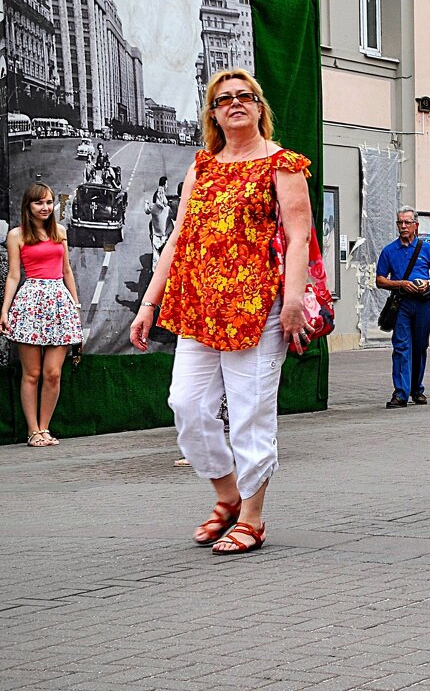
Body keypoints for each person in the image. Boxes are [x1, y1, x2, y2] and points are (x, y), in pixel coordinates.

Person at [130, 68, 316, 555]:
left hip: (258, 309)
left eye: (245, 97)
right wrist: (150, 303)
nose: (235, 103)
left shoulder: (283, 165)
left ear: (259, 108)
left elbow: (299, 236)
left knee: (252, 413)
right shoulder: (203, 167)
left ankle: (252, 519)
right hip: (198, 306)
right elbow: (178, 238)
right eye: (224, 99)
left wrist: (293, 299)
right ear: (213, 113)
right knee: (187, 406)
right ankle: (227, 495)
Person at [0, 182, 84, 447]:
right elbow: (14, 275)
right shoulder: (16, 235)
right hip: (30, 303)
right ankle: (33, 431)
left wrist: (75, 305)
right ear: (29, 206)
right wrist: (5, 310)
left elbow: (67, 270)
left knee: (53, 373)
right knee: (32, 373)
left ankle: (45, 428)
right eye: (39, 203)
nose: (45, 207)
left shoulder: (60, 231)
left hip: (60, 303)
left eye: (49, 202)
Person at [376, 206, 430, 408]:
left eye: (407, 222)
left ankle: (416, 389)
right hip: (402, 303)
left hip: (423, 303)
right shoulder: (389, 250)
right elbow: (380, 280)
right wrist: (400, 284)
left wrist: (428, 283)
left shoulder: (427, 249)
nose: (403, 226)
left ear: (416, 225)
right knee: (401, 346)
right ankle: (400, 393)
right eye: (400, 222)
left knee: (420, 346)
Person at [145, 175, 172, 270]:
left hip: (156, 235)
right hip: (165, 235)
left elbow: (147, 210)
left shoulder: (154, 207)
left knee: (156, 257)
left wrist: (147, 203)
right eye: (167, 184)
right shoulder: (168, 209)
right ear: (164, 185)